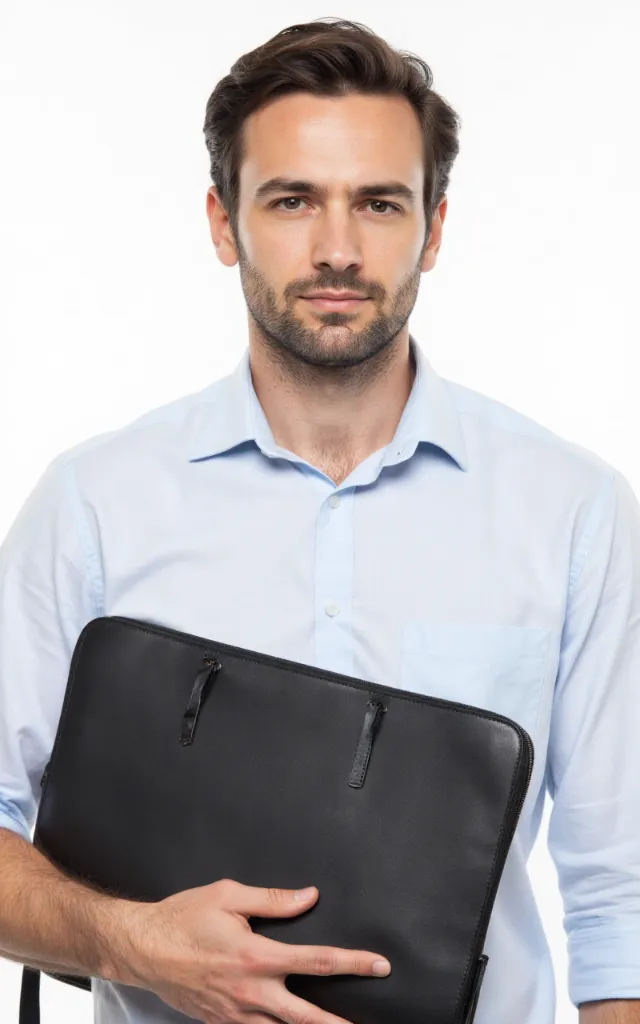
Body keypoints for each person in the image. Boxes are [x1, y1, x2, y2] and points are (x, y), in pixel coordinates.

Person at [0, 15, 638, 1024]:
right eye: (292, 199)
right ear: (223, 223)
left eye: (378, 202)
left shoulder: (572, 512)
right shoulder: (93, 507)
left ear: (431, 227)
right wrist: (132, 941)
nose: (336, 248)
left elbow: (620, 896)